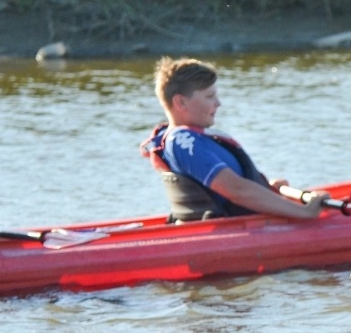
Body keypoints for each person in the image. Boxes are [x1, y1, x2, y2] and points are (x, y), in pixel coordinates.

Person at [141, 57, 330, 221]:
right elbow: (237, 191)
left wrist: (266, 189)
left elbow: (237, 188)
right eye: (209, 96)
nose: (218, 103)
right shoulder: (184, 141)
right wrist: (305, 212)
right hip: (234, 226)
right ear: (180, 102)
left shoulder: (194, 139)